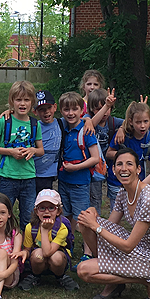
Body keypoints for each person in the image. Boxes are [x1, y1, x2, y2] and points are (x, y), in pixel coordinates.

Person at [75, 148, 150, 299]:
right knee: (85, 221)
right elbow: (110, 225)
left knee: (84, 270)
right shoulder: (123, 192)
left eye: (129, 164)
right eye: (119, 164)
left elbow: (128, 247)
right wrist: (91, 214)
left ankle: (148, 279)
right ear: (114, 170)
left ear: (138, 169)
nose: (124, 168)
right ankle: (116, 276)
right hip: (139, 247)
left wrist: (96, 226)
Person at [0, 81, 44, 227]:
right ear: (12, 101)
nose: (22, 104)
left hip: (28, 177)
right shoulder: (4, 120)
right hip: (7, 177)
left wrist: (32, 150)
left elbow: (41, 150)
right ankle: (4, 244)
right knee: (3, 216)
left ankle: (25, 247)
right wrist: (10, 152)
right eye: (18, 100)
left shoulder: (35, 124)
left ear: (32, 102)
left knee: (28, 216)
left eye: (26, 100)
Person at [56, 91, 100, 260]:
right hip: (63, 181)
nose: (71, 113)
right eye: (66, 110)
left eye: (75, 109)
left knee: (83, 219)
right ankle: (67, 245)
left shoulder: (86, 130)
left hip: (80, 182)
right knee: (65, 215)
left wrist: (76, 168)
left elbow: (95, 158)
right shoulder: (62, 127)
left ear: (81, 110)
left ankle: (88, 253)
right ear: (61, 110)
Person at [17, 189, 79, 291]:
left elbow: (47, 253)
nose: (46, 211)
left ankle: (60, 276)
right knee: (38, 255)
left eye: (51, 208)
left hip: (56, 258)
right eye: (42, 208)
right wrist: (24, 253)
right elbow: (28, 249)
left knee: (56, 258)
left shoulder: (62, 228)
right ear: (36, 211)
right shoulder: (30, 227)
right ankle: (35, 275)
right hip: (39, 260)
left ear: (58, 211)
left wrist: (44, 230)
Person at [85, 88, 123, 213]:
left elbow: (129, 122)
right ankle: (95, 220)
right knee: (95, 196)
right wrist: (89, 120)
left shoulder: (113, 121)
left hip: (110, 162)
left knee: (113, 192)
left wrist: (122, 128)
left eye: (107, 108)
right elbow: (90, 121)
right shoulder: (88, 119)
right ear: (91, 109)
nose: (104, 112)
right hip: (95, 166)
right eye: (98, 109)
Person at [108, 101, 150, 182]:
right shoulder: (122, 136)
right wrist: (126, 156)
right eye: (138, 122)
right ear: (131, 122)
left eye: (145, 121)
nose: (142, 126)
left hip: (137, 182)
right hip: (117, 182)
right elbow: (108, 153)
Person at [32, 90, 61, 194]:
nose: (46, 112)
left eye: (49, 108)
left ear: (55, 107)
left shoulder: (61, 123)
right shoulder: (33, 126)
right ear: (35, 111)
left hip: (48, 175)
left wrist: (87, 120)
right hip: (33, 173)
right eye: (42, 109)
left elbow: (78, 120)